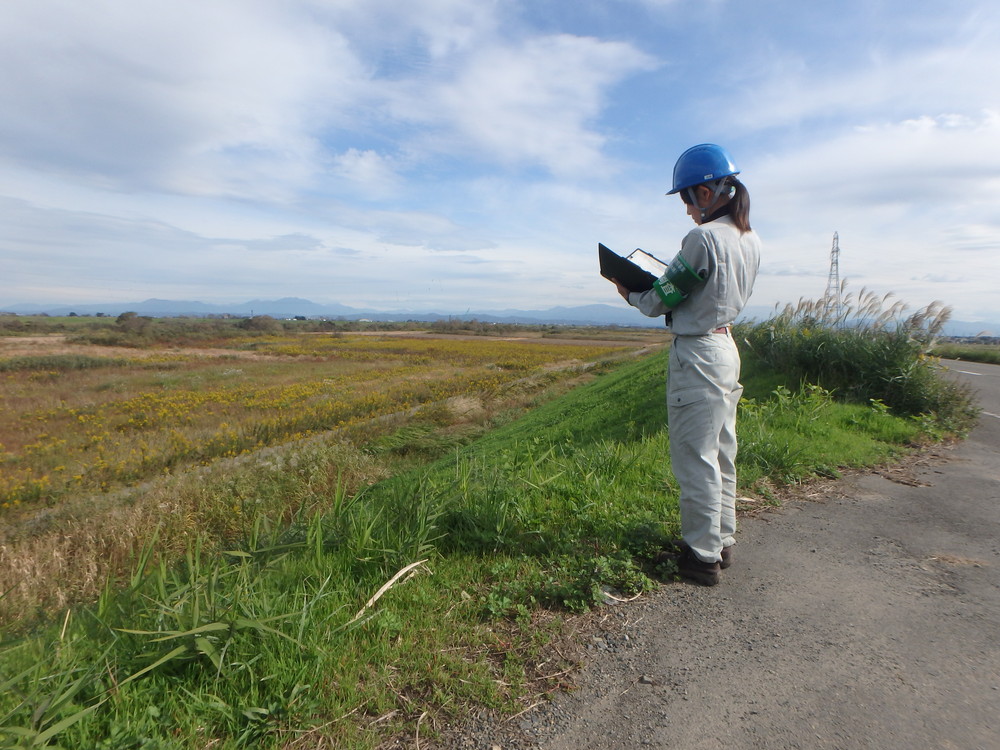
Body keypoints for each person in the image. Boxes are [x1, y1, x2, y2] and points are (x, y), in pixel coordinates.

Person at [611, 143, 760, 586]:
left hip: (698, 352)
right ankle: (721, 539)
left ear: (705, 192)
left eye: (685, 198)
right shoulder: (748, 237)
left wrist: (632, 292)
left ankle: (701, 557)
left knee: (696, 457)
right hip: (726, 346)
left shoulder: (703, 239)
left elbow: (663, 298)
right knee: (722, 451)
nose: (686, 209)